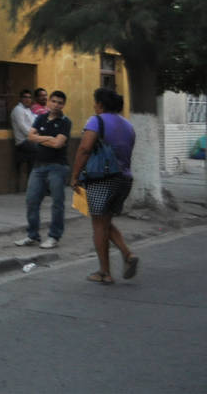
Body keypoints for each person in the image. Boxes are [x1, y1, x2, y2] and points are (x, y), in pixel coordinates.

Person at [71, 88, 138, 285]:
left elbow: (84, 148)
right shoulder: (128, 126)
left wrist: (74, 175)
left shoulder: (96, 121)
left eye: (95, 102)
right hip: (124, 179)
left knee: (99, 225)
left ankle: (104, 272)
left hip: (101, 178)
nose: (94, 106)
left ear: (100, 104)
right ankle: (127, 254)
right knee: (106, 221)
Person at [15, 90, 72, 249]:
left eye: (60, 102)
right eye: (53, 101)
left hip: (57, 167)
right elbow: (30, 137)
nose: (56, 105)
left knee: (57, 203)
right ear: (48, 102)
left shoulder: (65, 122)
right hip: (38, 167)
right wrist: (48, 138)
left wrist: (41, 138)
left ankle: (54, 236)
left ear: (63, 105)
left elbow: (58, 144)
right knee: (31, 200)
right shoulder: (40, 118)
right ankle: (32, 235)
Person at [11, 88, 37, 189]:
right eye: (25, 97)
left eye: (29, 97)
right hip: (23, 142)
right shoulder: (18, 110)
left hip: (32, 139)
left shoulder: (28, 110)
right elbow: (23, 128)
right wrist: (36, 136)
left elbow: (35, 124)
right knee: (39, 151)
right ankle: (32, 185)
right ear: (21, 98)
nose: (27, 99)